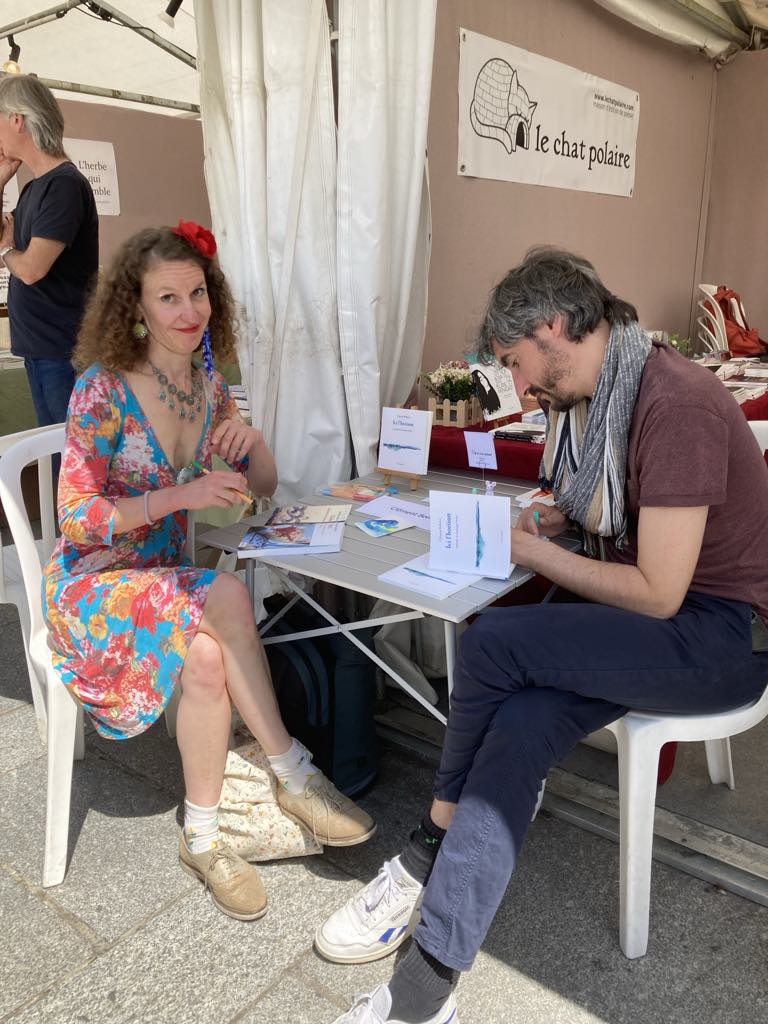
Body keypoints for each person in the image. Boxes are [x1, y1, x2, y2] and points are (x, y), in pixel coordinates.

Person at [316, 246, 768, 1023]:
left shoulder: (677, 401)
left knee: (493, 643)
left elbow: (661, 594)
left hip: (720, 638)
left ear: (556, 327)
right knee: (520, 723)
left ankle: (426, 844)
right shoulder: (605, 391)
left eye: (518, 363)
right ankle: (426, 990)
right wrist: (562, 519)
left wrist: (538, 550)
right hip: (657, 622)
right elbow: (622, 519)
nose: (520, 387)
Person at [42, 221, 375, 922]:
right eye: (168, 298)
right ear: (134, 308)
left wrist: (252, 446)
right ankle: (294, 773)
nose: (189, 311)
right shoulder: (100, 392)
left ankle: (201, 837)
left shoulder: (206, 383)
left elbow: (262, 486)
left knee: (204, 659)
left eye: (198, 293)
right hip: (93, 589)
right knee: (222, 591)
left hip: (164, 582)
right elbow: (75, 517)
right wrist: (179, 496)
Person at [0, 74, 98, 426]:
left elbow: (31, 269)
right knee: (56, 454)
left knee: (69, 461)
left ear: (16, 119)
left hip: (63, 351)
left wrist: (6, 251)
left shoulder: (64, 186)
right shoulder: (34, 188)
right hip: (42, 349)